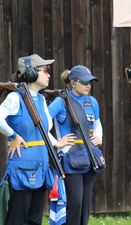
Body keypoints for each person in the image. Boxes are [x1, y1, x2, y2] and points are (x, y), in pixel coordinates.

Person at [0, 54, 73, 225]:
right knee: (18, 219)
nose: (49, 74)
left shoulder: (41, 99)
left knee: (35, 219)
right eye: (45, 70)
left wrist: (57, 143)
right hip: (21, 168)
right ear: (31, 72)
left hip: (41, 166)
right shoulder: (15, 97)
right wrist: (14, 136)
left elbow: (44, 130)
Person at [48, 65, 105, 225]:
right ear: (73, 82)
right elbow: (41, 122)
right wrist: (56, 143)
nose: (89, 85)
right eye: (85, 82)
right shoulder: (61, 101)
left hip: (90, 158)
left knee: (85, 204)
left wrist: (99, 136)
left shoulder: (92, 101)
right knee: (75, 203)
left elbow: (97, 124)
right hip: (70, 159)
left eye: (90, 82)